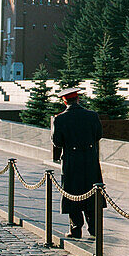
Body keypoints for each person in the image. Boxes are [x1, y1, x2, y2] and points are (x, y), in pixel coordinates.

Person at [51, 86, 104, 238]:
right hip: (90, 160)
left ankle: (75, 229)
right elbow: (98, 135)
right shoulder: (92, 115)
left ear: (64, 101)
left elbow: (58, 142)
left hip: (72, 161)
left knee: (72, 194)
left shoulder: (60, 118)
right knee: (92, 192)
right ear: (78, 99)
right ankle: (94, 229)